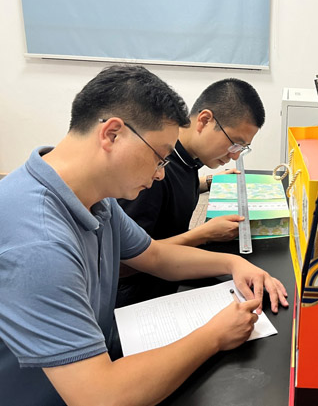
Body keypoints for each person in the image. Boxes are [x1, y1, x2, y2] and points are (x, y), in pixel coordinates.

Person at [0, 65, 288, 406]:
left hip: (97, 353)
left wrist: (233, 263)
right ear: (112, 134)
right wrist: (214, 335)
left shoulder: (96, 197)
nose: (160, 174)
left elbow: (155, 255)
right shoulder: (40, 244)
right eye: (159, 157)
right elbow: (100, 397)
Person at [116, 78, 265, 307]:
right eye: (234, 144)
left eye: (242, 148)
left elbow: (176, 190)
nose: (235, 155)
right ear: (204, 120)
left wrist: (208, 181)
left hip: (171, 273)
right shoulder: (154, 172)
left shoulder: (187, 159)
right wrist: (202, 234)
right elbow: (123, 265)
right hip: (143, 297)